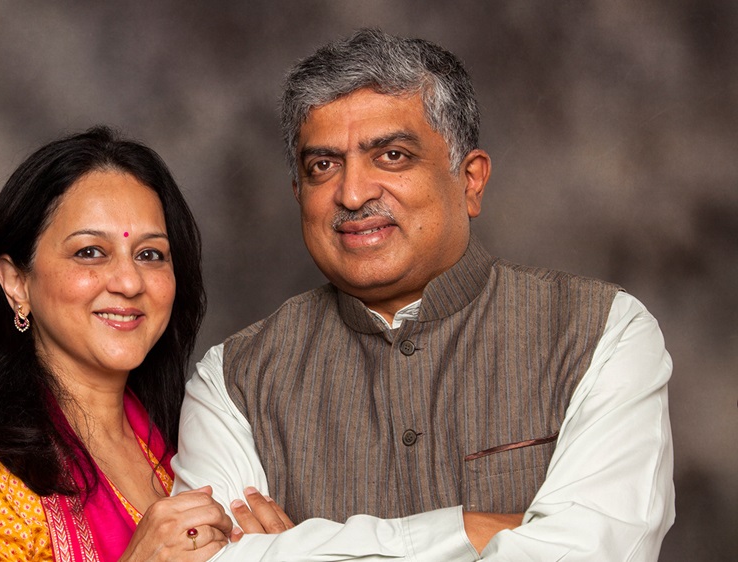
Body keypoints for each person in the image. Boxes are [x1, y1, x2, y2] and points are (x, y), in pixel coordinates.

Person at [172, 29, 674, 560]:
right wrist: (473, 532)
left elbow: (594, 553)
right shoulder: (232, 382)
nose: (352, 192)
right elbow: (200, 557)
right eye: (323, 165)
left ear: (470, 180)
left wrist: (293, 549)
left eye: (391, 155)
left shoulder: (604, 332)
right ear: (299, 192)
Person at [0, 127, 236, 561]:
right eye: (90, 252)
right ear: (16, 283)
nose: (128, 282)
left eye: (150, 254)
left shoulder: (202, 440)